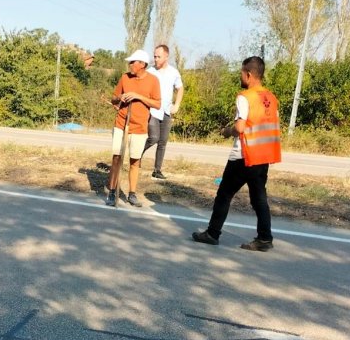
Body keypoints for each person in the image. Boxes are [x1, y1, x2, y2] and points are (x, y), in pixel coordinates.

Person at [192, 56, 281, 252]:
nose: (240, 76)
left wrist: (226, 131)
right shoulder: (271, 98)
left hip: (244, 154)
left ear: (248, 75)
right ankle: (265, 239)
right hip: (263, 155)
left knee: (224, 194)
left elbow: (240, 127)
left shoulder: (245, 96)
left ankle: (212, 233)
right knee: (259, 197)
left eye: (242, 73)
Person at [105, 49, 161, 207]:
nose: (129, 65)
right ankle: (112, 191)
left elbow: (157, 103)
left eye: (133, 62)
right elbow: (114, 98)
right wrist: (119, 98)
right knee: (116, 157)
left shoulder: (153, 81)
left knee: (135, 161)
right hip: (121, 124)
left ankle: (132, 194)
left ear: (142, 64)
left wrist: (138, 96)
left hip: (139, 126)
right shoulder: (125, 77)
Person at [142, 44, 184, 180]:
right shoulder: (150, 72)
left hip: (166, 111)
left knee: (162, 141)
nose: (155, 59)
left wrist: (176, 105)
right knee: (153, 138)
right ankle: (137, 155)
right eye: (154, 56)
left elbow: (180, 89)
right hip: (153, 110)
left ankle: (157, 170)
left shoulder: (174, 72)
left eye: (158, 57)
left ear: (166, 56)